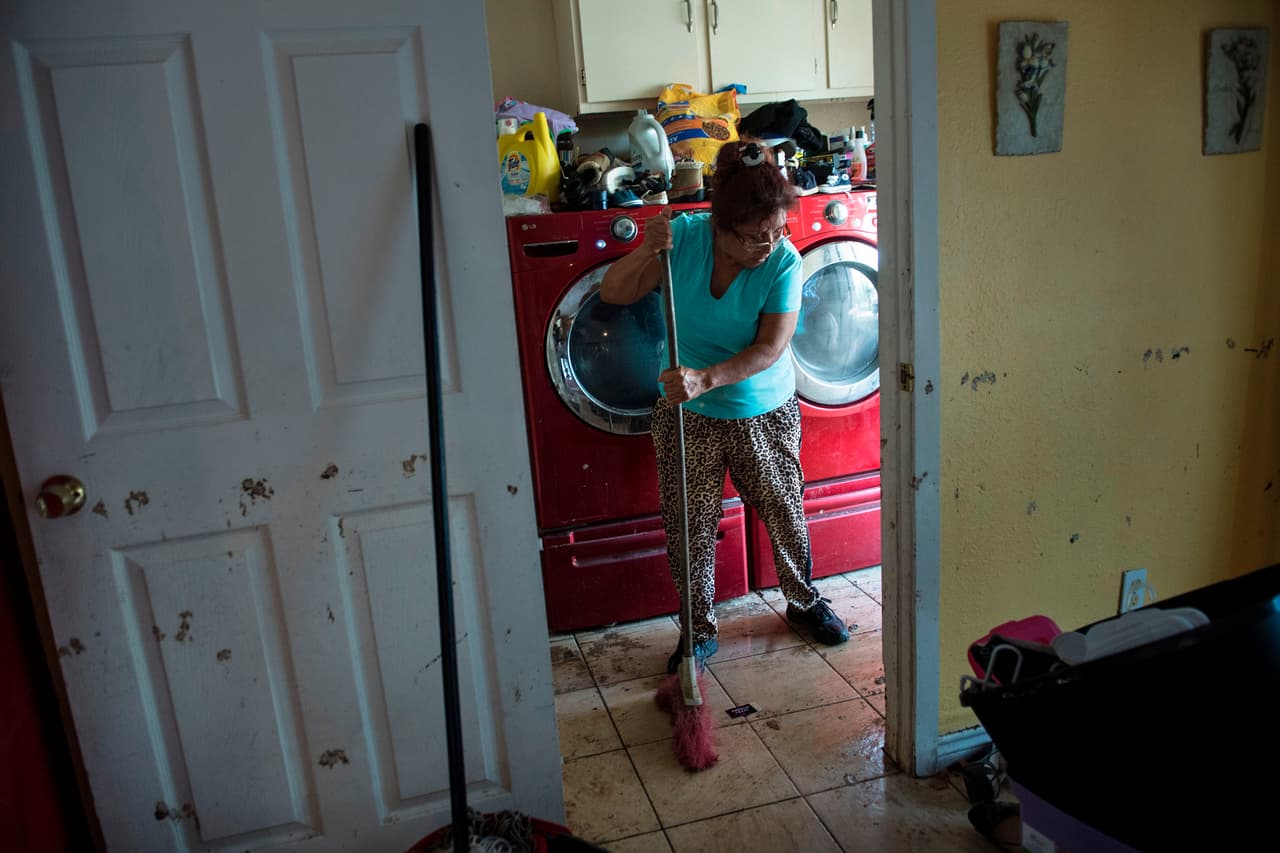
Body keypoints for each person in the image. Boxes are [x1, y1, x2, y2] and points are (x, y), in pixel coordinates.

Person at [600, 138, 850, 673]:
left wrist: (706, 379)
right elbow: (614, 293)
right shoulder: (684, 242)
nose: (771, 244)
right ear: (720, 224)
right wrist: (647, 249)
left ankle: (804, 601)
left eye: (779, 229)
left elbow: (770, 347)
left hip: (758, 406)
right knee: (689, 521)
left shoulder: (781, 261)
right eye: (755, 236)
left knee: (783, 509)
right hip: (687, 414)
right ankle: (698, 627)